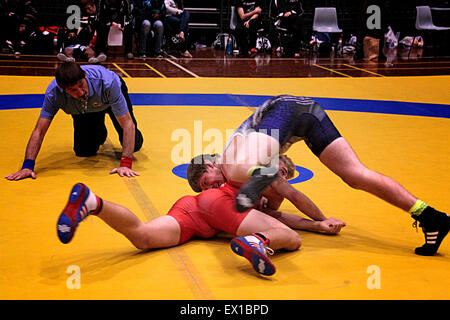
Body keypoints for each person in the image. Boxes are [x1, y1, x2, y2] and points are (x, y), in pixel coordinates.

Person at [186, 95, 450, 256]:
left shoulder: (227, 161)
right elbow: (281, 200)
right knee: (355, 176)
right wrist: (315, 221)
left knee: (240, 171)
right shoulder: (240, 163)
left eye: (207, 184)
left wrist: (320, 220)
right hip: (305, 113)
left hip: (282, 112)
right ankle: (428, 215)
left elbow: (286, 193)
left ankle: (261, 181)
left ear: (209, 165)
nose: (213, 189)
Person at [56, 182, 304, 276]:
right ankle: (257, 241)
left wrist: (316, 223)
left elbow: (276, 215)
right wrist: (318, 222)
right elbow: (283, 212)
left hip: (193, 211)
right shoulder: (256, 176)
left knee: (142, 237)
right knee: (292, 239)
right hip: (217, 207)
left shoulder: (241, 176)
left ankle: (93, 203)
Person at [5, 62, 144, 181]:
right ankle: (99, 128)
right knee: (84, 151)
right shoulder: (54, 94)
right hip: (83, 107)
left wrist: (126, 164)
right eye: (72, 90)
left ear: (85, 76)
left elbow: (127, 123)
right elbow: (39, 130)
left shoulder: (108, 83)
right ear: (63, 90)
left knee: (134, 144)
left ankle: (99, 119)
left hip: (108, 98)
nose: (80, 92)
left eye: (81, 85)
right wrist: (27, 166)